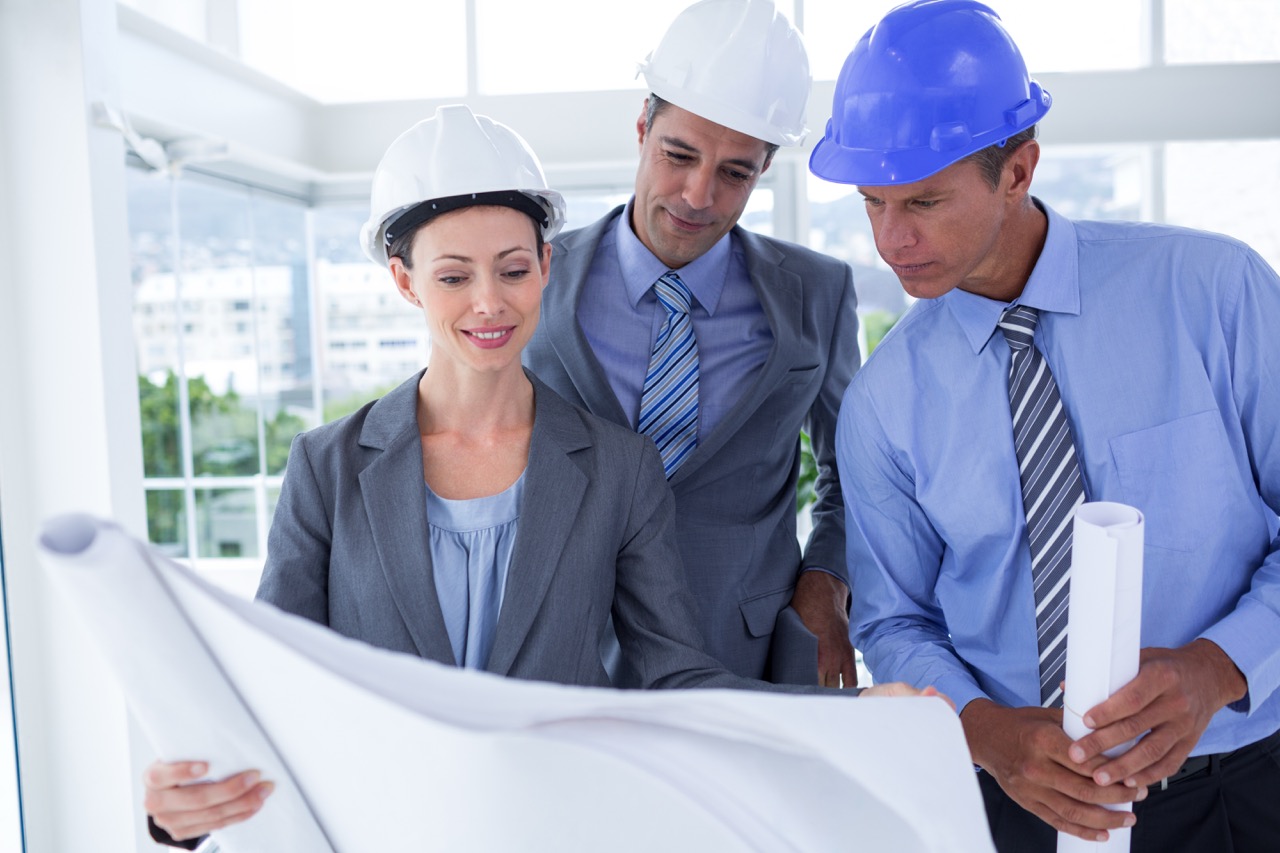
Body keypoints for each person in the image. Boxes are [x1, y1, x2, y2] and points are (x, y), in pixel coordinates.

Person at [143, 105, 931, 847]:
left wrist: (854, 715)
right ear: (405, 280)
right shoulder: (328, 466)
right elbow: (272, 678)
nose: (489, 302)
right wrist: (179, 796)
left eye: (512, 269)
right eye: (453, 276)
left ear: (546, 267)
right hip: (380, 831)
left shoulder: (618, 468)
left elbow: (678, 679)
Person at [809, 1, 1280, 851]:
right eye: (871, 203)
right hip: (1014, 804)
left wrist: (1217, 668)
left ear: (1018, 170)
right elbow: (895, 622)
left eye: (923, 201)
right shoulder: (883, 403)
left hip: (1242, 788)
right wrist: (990, 734)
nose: (891, 239)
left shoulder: (1216, 293)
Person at [524, 0, 861, 688]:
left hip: (750, 653)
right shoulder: (532, 277)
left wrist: (826, 580)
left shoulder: (818, 292)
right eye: (678, 155)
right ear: (643, 125)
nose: (698, 194)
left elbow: (856, 478)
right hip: (560, 651)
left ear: (764, 169)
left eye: (735, 172)